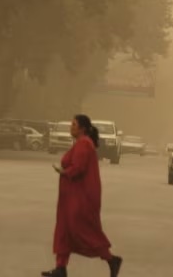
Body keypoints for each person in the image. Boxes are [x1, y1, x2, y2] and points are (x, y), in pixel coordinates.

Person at [42, 114, 123, 277]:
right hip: (72, 195)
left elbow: (78, 167)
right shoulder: (80, 143)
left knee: (83, 231)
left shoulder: (84, 144)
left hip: (80, 197)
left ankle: (111, 259)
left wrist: (63, 171)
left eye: (74, 125)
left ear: (83, 129)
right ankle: (60, 268)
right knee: (65, 231)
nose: (71, 128)